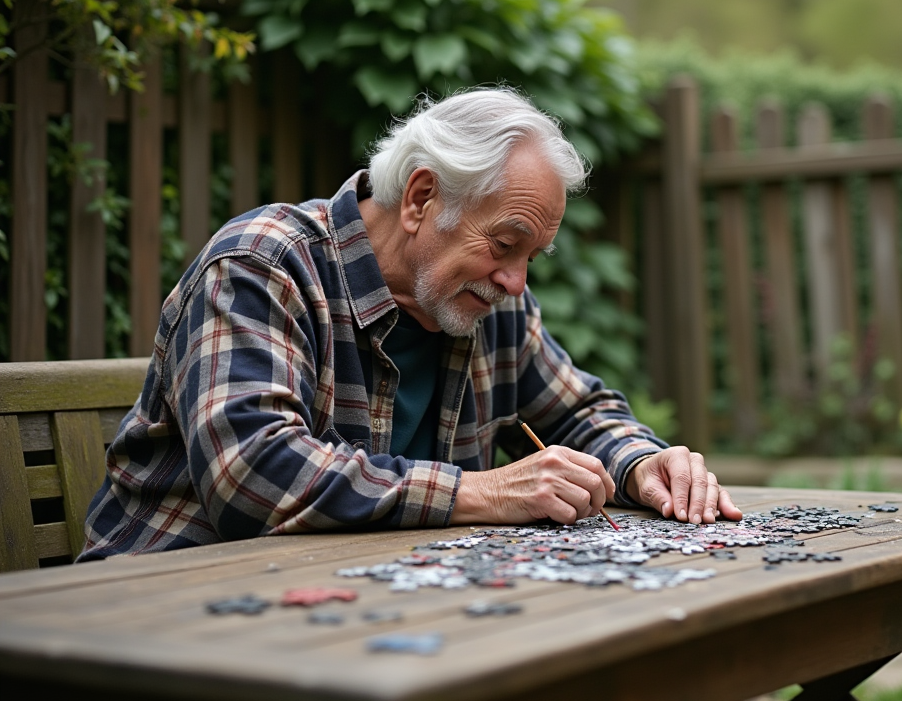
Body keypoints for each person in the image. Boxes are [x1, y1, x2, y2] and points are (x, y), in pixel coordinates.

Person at [80, 87, 741, 561]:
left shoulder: (486, 301)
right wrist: (481, 492)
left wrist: (642, 464)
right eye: (504, 245)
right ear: (423, 198)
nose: (517, 280)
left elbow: (576, 413)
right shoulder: (263, 265)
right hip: (167, 618)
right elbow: (253, 473)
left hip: (363, 612)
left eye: (532, 257)